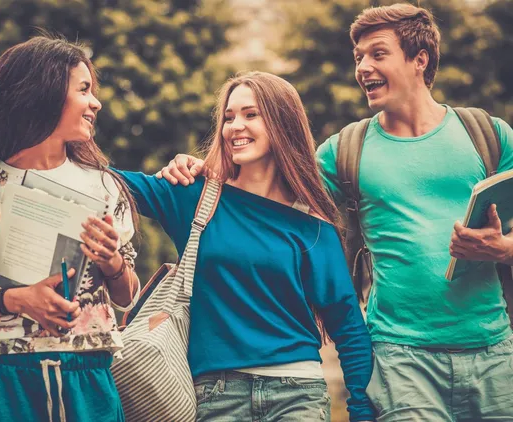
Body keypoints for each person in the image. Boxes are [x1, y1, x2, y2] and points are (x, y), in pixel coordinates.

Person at [158, 4, 513, 421]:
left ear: (420, 59)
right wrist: (203, 171)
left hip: (493, 349)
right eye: (358, 56)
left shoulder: (488, 134)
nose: (363, 67)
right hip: (400, 356)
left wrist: (504, 248)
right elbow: (263, 189)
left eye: (378, 54)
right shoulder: (343, 152)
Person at [115, 71, 374, 422]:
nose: (235, 125)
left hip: (298, 394)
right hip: (217, 396)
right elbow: (108, 184)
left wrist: (361, 410)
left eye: (251, 114)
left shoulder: (312, 224)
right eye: (229, 116)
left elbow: (348, 326)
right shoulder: (194, 197)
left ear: (282, 122)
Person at [0, 36, 140, 422]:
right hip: (6, 382)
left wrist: (112, 261)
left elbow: (127, 296)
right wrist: (17, 299)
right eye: (84, 90)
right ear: (43, 94)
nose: (96, 102)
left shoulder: (105, 186)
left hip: (90, 378)